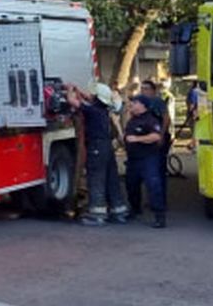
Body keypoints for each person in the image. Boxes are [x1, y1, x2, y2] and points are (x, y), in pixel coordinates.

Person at [66, 82, 128, 226]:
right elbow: (89, 99)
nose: (90, 95)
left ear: (97, 97)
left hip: (96, 148)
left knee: (96, 179)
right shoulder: (103, 109)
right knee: (111, 179)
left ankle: (97, 214)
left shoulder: (92, 110)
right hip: (107, 147)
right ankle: (119, 211)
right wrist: (78, 90)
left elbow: (72, 101)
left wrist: (69, 90)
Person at [124, 96, 167, 228]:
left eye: (135, 102)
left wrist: (137, 139)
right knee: (131, 185)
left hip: (148, 158)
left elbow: (156, 136)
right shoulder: (132, 120)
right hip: (133, 159)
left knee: (153, 185)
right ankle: (135, 208)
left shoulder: (150, 120)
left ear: (143, 106)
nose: (132, 104)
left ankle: (159, 216)